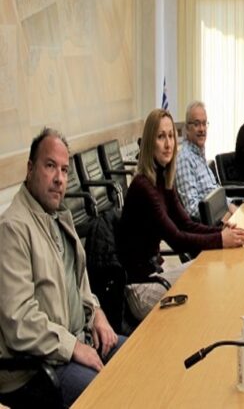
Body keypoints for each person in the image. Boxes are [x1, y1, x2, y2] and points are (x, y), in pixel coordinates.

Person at [0, 128, 125, 408]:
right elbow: (19, 321)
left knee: (136, 358)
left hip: (76, 341)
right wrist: (73, 347)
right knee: (111, 395)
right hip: (37, 367)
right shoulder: (13, 229)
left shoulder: (58, 218)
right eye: (50, 166)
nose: (59, 178)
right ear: (30, 169)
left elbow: (79, 285)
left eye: (65, 170)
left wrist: (97, 314)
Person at [118, 109, 244, 320]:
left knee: (210, 266)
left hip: (154, 275)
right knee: (205, 276)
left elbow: (186, 224)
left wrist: (221, 231)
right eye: (161, 137)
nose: (168, 144)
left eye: (171, 136)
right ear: (150, 142)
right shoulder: (143, 186)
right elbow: (177, 240)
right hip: (139, 289)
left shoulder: (163, 179)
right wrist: (220, 239)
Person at [175, 101, 235, 219]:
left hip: (222, 216)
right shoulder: (185, 159)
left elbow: (214, 193)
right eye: (197, 124)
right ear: (187, 128)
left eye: (204, 123)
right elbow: (192, 209)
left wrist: (231, 206)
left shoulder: (199, 154)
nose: (202, 129)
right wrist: (224, 213)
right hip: (212, 224)